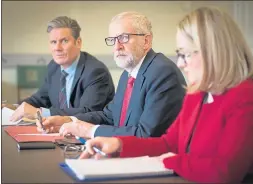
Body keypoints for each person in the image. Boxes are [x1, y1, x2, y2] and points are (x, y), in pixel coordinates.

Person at [77, 7, 253, 183]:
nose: (181, 63)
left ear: (214, 52)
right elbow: (169, 143)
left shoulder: (245, 97)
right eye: (179, 54)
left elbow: (225, 171)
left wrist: (169, 160)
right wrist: (119, 145)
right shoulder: (197, 94)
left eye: (186, 54)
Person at [37, 11, 186, 138]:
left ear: (146, 41)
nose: (117, 46)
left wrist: (90, 131)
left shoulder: (162, 73)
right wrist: (68, 120)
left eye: (124, 38)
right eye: (113, 40)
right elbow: (109, 116)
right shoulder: (127, 75)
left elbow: (145, 134)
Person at [4, 16, 115, 122]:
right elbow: (40, 99)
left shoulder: (96, 71)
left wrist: (40, 112)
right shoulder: (54, 67)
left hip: (90, 137)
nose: (57, 48)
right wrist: (14, 107)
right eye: (53, 42)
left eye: (64, 41)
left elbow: (88, 112)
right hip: (61, 133)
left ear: (78, 42)